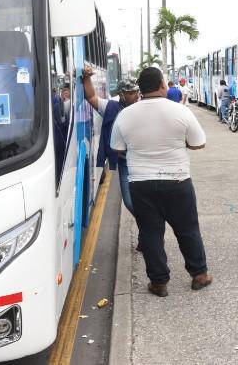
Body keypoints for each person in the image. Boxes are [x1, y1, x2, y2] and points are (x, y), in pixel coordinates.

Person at [111, 66, 211, 297]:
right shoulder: (181, 111)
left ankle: (159, 283)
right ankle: (199, 275)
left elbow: (117, 148)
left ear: (141, 89)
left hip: (141, 183)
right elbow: (198, 143)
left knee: (150, 233)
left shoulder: (125, 114)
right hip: (177, 180)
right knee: (187, 229)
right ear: (163, 85)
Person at [82, 67, 140, 215]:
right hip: (124, 163)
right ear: (122, 94)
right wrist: (86, 78)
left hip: (144, 160)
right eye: (131, 92)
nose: (136, 95)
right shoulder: (111, 107)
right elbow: (91, 97)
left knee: (148, 201)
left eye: (137, 91)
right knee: (129, 202)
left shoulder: (143, 108)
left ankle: (149, 231)